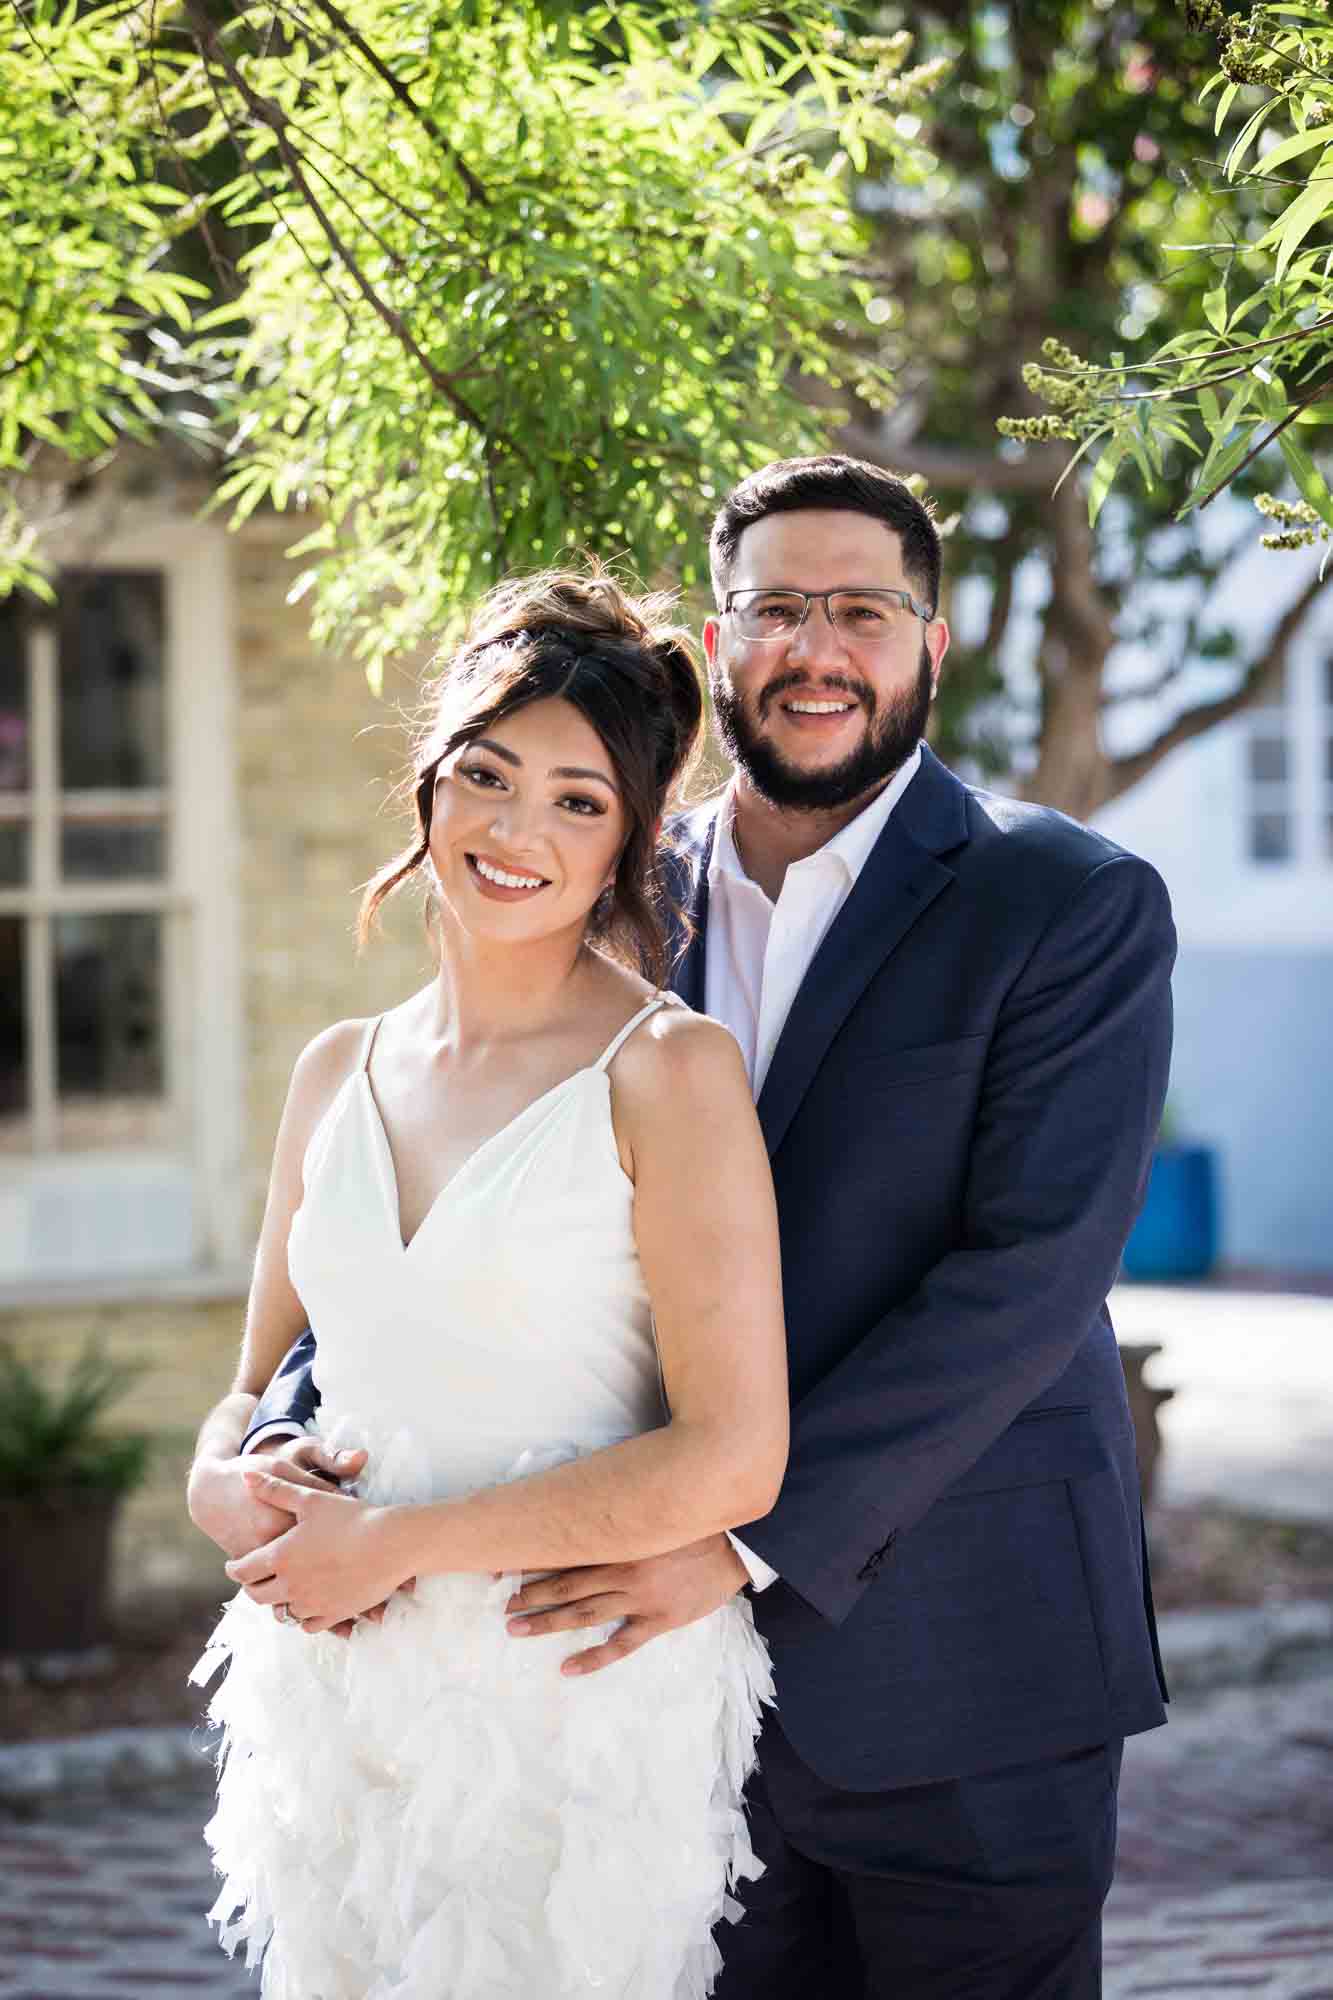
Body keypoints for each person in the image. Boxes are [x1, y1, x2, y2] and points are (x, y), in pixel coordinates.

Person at [213, 454, 1176, 1999]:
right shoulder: (599, 868)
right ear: (719, 645)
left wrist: (733, 1542)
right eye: (776, 607)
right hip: (625, 1684)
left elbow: (1027, 1278)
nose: (819, 646)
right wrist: (269, 1433)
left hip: (956, 1657)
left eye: (862, 610)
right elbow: (452, 1212)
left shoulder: (1060, 901)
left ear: (930, 644)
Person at [185, 570, 789, 2000]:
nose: (518, 831)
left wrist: (396, 1544)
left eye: (577, 802)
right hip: (330, 1684)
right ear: (428, 790)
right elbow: (251, 1381)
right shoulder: (338, 1066)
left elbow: (735, 1455)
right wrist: (225, 1483)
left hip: (568, 1700)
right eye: (487, 776)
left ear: (626, 844)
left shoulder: (668, 1071)